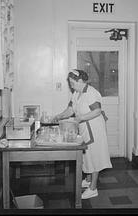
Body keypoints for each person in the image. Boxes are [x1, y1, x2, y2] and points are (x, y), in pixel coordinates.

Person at [52, 69, 112, 199]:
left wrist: (80, 118)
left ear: (80, 81)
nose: (70, 84)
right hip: (85, 127)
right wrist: (59, 116)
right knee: (87, 155)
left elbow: (97, 111)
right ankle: (89, 180)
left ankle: (93, 188)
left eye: (72, 82)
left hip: (95, 129)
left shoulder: (91, 93)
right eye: (69, 82)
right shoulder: (77, 93)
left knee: (95, 157)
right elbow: (70, 109)